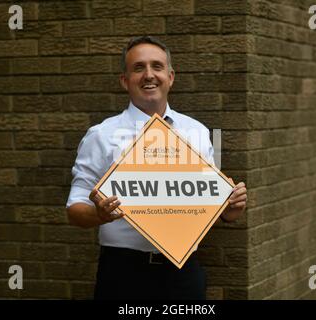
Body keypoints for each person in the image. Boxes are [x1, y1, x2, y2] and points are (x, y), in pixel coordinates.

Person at [66, 36, 248, 300]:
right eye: (138, 67)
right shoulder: (101, 135)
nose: (149, 75)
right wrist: (99, 214)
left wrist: (228, 209)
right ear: (124, 80)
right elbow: (74, 210)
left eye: (157, 66)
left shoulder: (196, 131)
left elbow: (207, 204)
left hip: (183, 273)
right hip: (124, 273)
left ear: (171, 77)